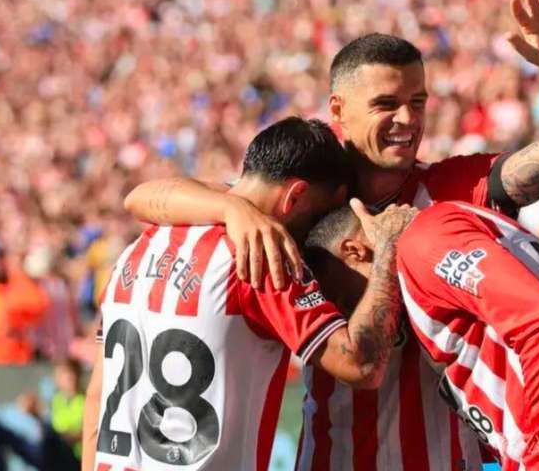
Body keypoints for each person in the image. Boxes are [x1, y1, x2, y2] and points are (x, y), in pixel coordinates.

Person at [123, 0, 539, 470]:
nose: (407, 120)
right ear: (338, 110)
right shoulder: (307, 191)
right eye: (386, 104)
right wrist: (233, 209)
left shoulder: (450, 189)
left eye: (418, 102)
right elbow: (143, 196)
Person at [82, 117, 414, 471]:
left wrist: (233, 205)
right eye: (322, 215)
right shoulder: (261, 257)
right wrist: (388, 251)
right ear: (296, 196)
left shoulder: (137, 250)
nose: (319, 236)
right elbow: (360, 364)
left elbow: (97, 396)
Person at [304, 200, 539, 470]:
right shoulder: (450, 232)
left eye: (346, 301)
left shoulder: (423, 241)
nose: (357, 315)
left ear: (354, 250)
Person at [0, 359, 84, 471]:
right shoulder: (57, 400)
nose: (68, 379)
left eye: (70, 375)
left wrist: (62, 436)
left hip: (70, 458)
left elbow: (84, 435)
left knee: (51, 438)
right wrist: (34, 412)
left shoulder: (86, 402)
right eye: (62, 375)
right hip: (48, 454)